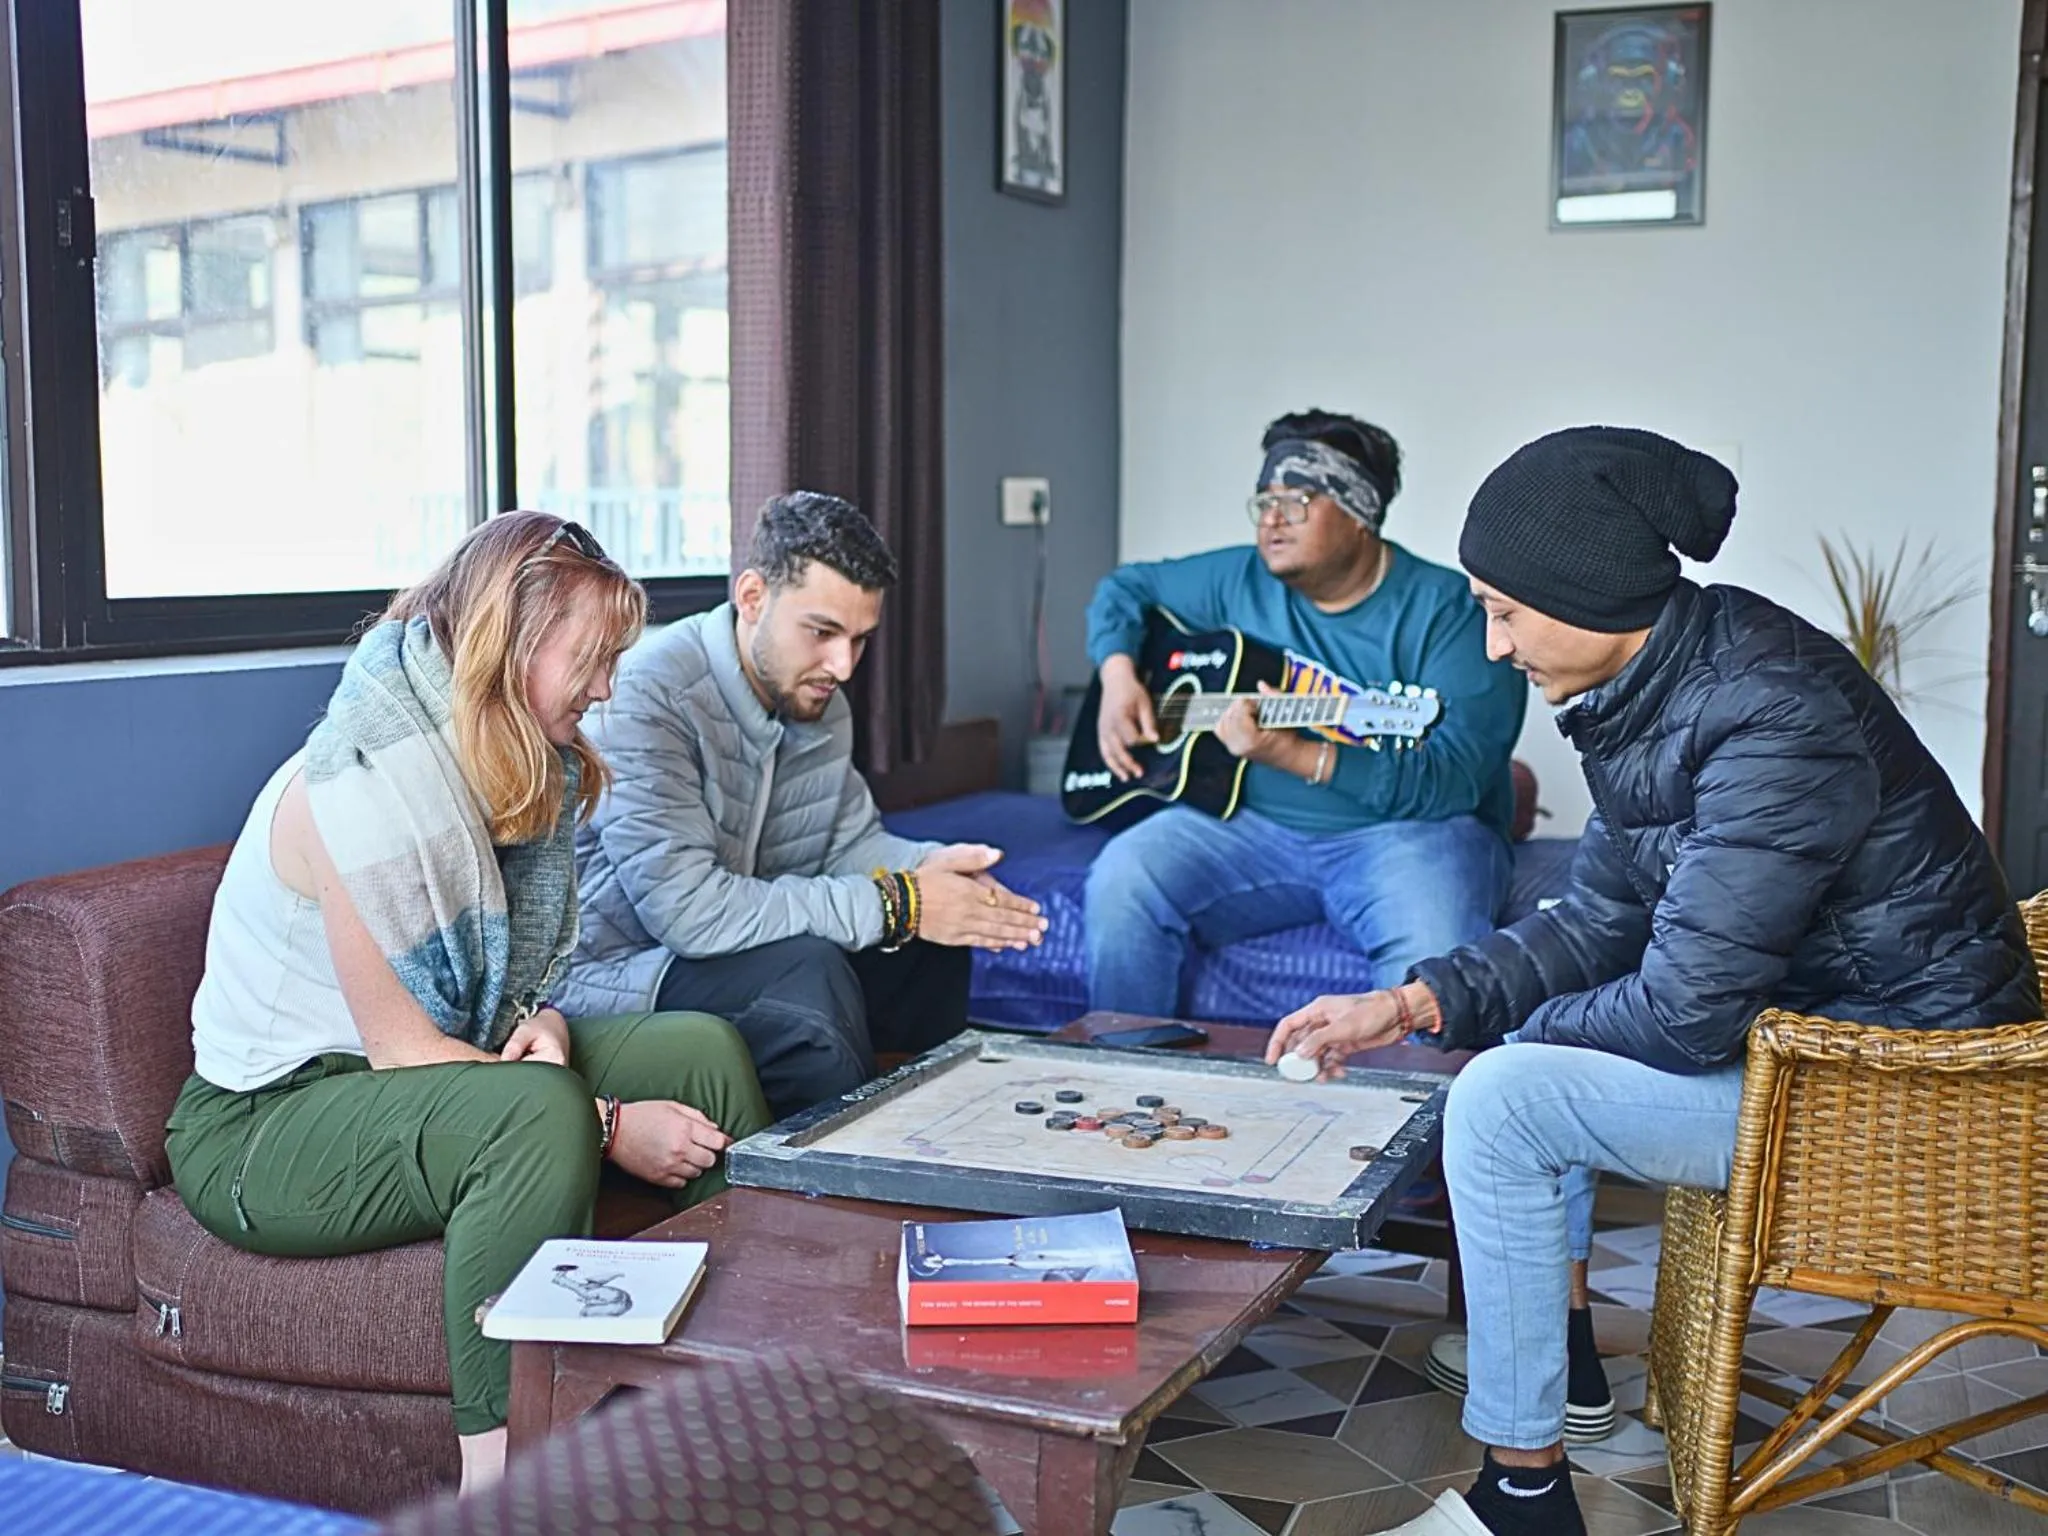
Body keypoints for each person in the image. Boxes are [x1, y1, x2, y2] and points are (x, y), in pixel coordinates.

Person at [1267, 427, 2042, 1536]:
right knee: (1527, 1065)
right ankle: (1566, 1382)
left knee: (1506, 1099)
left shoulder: (1769, 717)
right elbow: (1597, 919)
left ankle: (1521, 1502)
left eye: (1502, 610)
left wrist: (1516, 1044)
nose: (1492, 648)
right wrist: (1408, 1004)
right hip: (1822, 1049)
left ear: (1584, 590)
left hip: (1913, 1094)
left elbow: (1680, 1014)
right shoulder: (1667, 689)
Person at [165, 513, 773, 1496]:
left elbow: (502, 999)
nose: (608, 687)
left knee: (699, 1047)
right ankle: (503, 1485)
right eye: (592, 659)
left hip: (406, 1080)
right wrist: (606, 1120)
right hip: (263, 1126)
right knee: (536, 1114)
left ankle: (736, 1413)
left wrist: (551, 1025)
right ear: (513, 645)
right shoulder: (355, 790)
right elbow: (405, 1049)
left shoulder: (500, 765)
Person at [559, 492, 1047, 1118]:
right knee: (809, 977)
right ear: (753, 597)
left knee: (928, 943)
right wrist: (901, 902)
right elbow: (689, 913)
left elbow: (845, 845)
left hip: (734, 945)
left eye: (859, 640)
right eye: (822, 632)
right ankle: (835, 1191)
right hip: (623, 970)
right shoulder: (646, 698)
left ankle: (931, 1142)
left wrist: (933, 874)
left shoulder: (815, 700)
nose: (842, 665)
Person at [1082, 409, 1528, 1013]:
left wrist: (1289, 752)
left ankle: (1418, 1110)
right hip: (1252, 825)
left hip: (1410, 837)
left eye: (1297, 501)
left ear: (1360, 511)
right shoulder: (1237, 578)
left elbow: (1454, 781)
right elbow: (1124, 588)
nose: (1271, 519)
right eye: (1265, 500)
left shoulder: (1450, 612)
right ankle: (1122, 1076)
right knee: (1122, 879)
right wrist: (1117, 674)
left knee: (1434, 958)